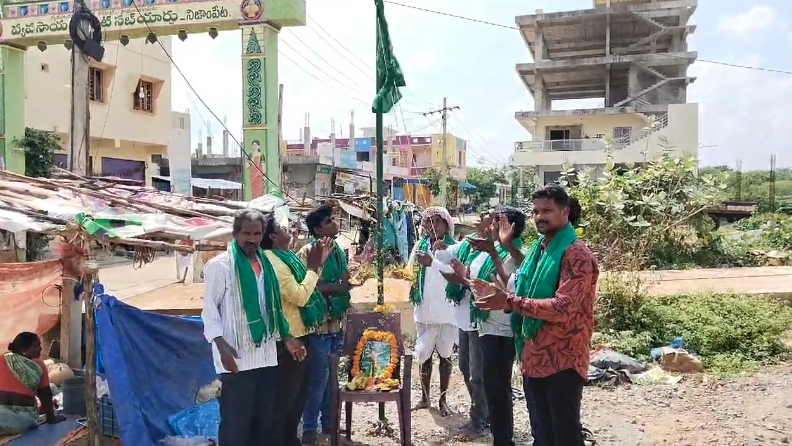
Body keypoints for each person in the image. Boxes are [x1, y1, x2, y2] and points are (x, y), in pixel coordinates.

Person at [471, 185, 599, 446]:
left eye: (547, 211)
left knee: (564, 434)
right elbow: (523, 288)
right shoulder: (541, 249)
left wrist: (509, 301)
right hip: (534, 355)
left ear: (565, 211)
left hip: (563, 357)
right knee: (542, 434)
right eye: (536, 211)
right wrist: (499, 292)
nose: (540, 216)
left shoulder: (576, 254)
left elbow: (563, 306)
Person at [201, 209, 303, 445]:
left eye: (257, 233)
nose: (252, 239)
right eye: (246, 233)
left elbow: (272, 307)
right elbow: (209, 310)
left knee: (264, 422)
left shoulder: (266, 263)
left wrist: (286, 337)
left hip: (266, 356)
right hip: (235, 358)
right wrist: (221, 345)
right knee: (236, 424)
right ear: (235, 233)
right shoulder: (221, 266)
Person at [261, 215, 334, 446]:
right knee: (286, 402)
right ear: (272, 236)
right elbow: (301, 296)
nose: (290, 228)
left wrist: (316, 266)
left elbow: (306, 286)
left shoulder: (287, 257)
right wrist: (314, 268)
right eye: (283, 227)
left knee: (297, 400)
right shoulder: (274, 262)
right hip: (287, 339)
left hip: (300, 334)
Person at [466, 206, 527, 446]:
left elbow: (514, 282)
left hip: (503, 328)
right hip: (488, 325)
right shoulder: (497, 250)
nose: (489, 226)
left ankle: (504, 440)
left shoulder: (518, 251)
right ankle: (501, 438)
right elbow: (494, 283)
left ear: (507, 227)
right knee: (493, 385)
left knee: (498, 387)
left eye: (494, 222)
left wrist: (495, 252)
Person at [298, 204, 359, 445]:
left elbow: (343, 280)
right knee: (318, 380)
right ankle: (310, 431)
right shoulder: (307, 252)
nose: (334, 224)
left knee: (332, 379)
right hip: (319, 326)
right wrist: (339, 287)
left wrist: (351, 278)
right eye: (329, 221)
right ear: (317, 229)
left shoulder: (338, 251)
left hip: (337, 324)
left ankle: (329, 427)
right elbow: (308, 289)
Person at [433, 210, 493, 441]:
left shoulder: (495, 252)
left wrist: (461, 276)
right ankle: (482, 414)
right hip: (465, 318)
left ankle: (479, 420)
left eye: (484, 220)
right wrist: (439, 251)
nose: (479, 222)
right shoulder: (470, 247)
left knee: (478, 373)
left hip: (481, 320)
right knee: (467, 370)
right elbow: (449, 256)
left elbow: (477, 285)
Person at [408, 206, 458, 416]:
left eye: (437, 221)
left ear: (446, 225)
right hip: (425, 310)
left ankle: (443, 400)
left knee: (445, 356)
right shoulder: (420, 246)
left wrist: (440, 255)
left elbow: (457, 273)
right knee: (424, 355)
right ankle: (425, 397)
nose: (432, 225)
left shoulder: (454, 248)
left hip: (447, 312)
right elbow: (410, 270)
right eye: (429, 221)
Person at [0, 332, 65, 435]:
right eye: (36, 346)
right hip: (21, 422)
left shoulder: (2, 359)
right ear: (24, 350)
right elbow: (45, 394)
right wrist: (51, 419)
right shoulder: (38, 365)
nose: (40, 349)